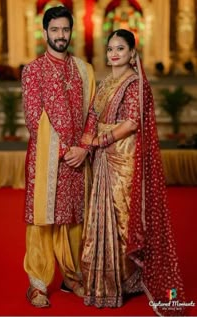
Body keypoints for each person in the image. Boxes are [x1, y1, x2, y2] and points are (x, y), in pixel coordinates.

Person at [81, 29, 186, 316]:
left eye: (120, 49)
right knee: (99, 216)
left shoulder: (135, 83)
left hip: (122, 157)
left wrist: (99, 141)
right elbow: (93, 115)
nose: (114, 54)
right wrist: (86, 142)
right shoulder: (105, 82)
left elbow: (131, 123)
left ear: (132, 53)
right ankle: (104, 281)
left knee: (120, 215)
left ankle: (125, 279)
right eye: (110, 48)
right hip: (101, 156)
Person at [21, 6, 97, 308]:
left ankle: (71, 275)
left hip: (79, 158)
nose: (60, 35)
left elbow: (93, 111)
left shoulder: (83, 69)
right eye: (55, 30)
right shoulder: (33, 70)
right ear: (45, 33)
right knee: (42, 220)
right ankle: (37, 284)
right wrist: (64, 151)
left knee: (74, 218)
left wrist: (84, 148)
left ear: (71, 31)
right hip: (46, 159)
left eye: (65, 29)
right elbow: (32, 117)